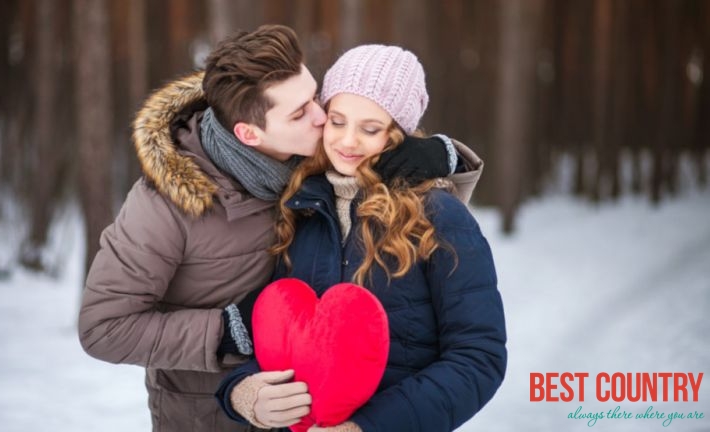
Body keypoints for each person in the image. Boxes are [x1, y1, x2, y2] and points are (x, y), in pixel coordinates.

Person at [78, 25, 485, 432]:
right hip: (207, 415)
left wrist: (442, 154)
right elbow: (102, 327)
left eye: (315, 97)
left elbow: (405, 199)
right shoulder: (163, 208)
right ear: (249, 134)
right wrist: (229, 334)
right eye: (301, 112)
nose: (322, 117)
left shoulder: (310, 179)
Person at [216, 45, 507, 432]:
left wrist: (368, 427)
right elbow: (285, 335)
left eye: (370, 129)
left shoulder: (438, 215)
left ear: (397, 134)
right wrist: (243, 393)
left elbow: (478, 357)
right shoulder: (301, 208)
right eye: (337, 122)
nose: (348, 141)